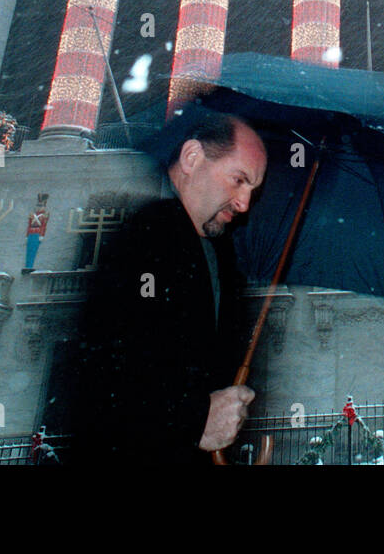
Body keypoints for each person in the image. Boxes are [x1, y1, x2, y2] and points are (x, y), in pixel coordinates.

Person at [68, 110, 268, 465]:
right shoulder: (144, 240)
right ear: (192, 158)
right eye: (238, 180)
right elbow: (102, 387)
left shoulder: (218, 253)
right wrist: (194, 421)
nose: (244, 203)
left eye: (253, 189)